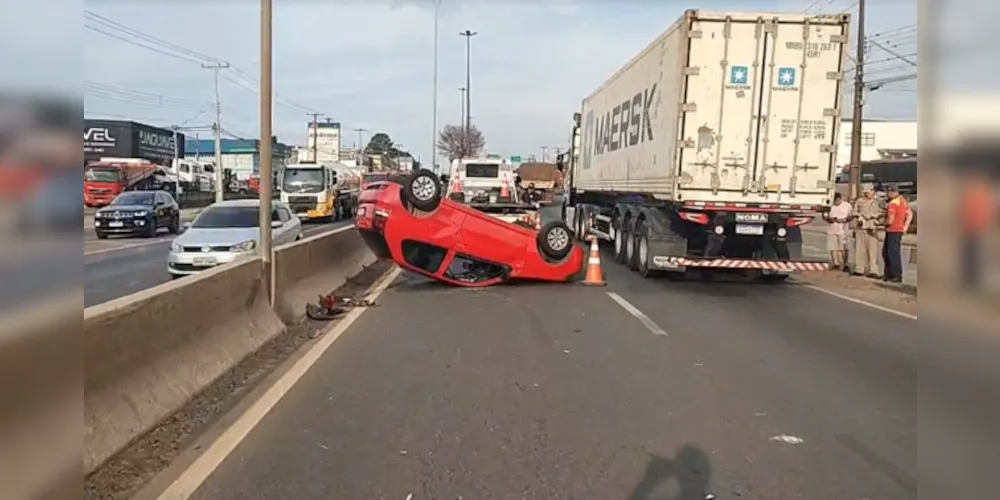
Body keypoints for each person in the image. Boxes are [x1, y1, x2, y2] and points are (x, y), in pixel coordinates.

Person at [851, 183, 884, 278]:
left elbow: (883, 212)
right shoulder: (860, 201)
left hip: (872, 227)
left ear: (873, 191)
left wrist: (874, 215)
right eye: (865, 192)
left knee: (872, 251)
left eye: (868, 192)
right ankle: (859, 269)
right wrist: (859, 215)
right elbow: (854, 211)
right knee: (859, 249)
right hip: (861, 227)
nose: (866, 194)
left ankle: (873, 270)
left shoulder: (878, 201)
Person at [882, 185, 913, 283]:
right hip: (899, 230)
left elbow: (890, 220)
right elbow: (910, 214)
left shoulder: (893, 203)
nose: (887, 194)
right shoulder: (902, 201)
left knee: (890, 253)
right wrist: (905, 227)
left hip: (892, 230)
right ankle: (891, 274)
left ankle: (894, 275)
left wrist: (882, 223)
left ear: (893, 192)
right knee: (891, 252)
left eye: (888, 192)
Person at [824, 192, 852, 272]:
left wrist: (845, 219)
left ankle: (845, 264)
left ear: (840, 198)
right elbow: (825, 216)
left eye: (837, 200)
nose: (836, 202)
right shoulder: (829, 205)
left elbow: (851, 215)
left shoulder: (847, 205)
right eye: (835, 201)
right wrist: (832, 219)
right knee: (833, 247)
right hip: (832, 229)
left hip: (843, 229)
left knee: (844, 248)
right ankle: (836, 263)